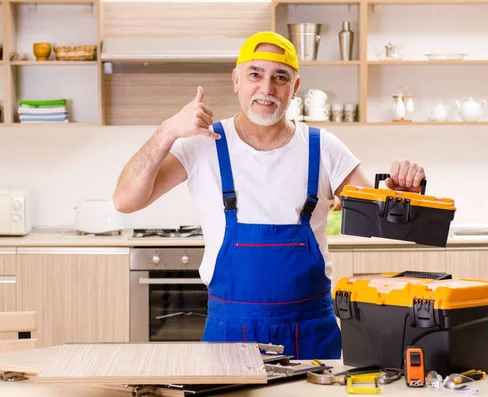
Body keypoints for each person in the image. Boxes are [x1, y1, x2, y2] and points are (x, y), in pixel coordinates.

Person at [113, 31, 426, 360]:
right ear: (236, 80)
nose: (266, 88)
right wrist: (166, 132)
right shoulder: (200, 144)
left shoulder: (324, 148)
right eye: (255, 74)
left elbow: (385, 224)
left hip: (312, 336)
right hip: (229, 335)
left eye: (280, 77)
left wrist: (406, 195)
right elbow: (126, 200)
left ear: (295, 87)